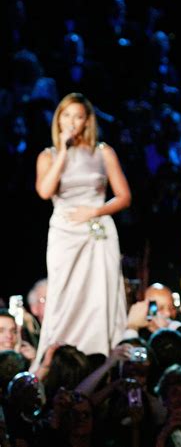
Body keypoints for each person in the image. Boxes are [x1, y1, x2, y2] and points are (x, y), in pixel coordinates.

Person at [32, 92, 131, 370]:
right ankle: (57, 359)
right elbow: (45, 191)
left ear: (87, 120)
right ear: (58, 119)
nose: (72, 121)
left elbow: (123, 196)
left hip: (97, 230)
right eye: (66, 115)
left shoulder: (103, 152)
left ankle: (104, 359)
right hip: (64, 231)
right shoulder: (48, 156)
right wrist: (63, 151)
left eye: (78, 116)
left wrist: (94, 211)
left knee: (100, 293)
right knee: (65, 294)